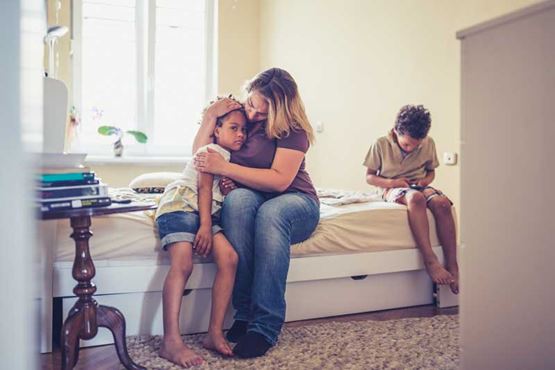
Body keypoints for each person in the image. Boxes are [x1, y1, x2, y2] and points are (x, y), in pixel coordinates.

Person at [193, 67, 320, 358]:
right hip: (255, 196)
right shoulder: (239, 117)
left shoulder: (293, 131)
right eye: (251, 104)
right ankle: (245, 312)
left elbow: (279, 180)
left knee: (270, 215)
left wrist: (225, 169)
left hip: (296, 201)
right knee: (237, 202)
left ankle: (265, 325)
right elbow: (200, 157)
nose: (252, 116)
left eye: (262, 114)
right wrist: (211, 116)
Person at [154, 108, 247, 367]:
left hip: (205, 211)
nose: (240, 134)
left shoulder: (231, 159)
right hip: (183, 203)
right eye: (233, 127)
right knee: (183, 263)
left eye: (243, 129)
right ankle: (170, 341)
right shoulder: (211, 151)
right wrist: (205, 226)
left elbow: (217, 191)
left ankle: (213, 332)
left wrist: (230, 187)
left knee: (229, 258)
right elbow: (203, 187)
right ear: (216, 130)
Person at [363, 104, 459, 294]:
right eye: (406, 144)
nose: (411, 148)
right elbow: (369, 177)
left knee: (442, 203)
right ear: (395, 131)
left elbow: (431, 171)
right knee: (415, 199)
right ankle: (430, 259)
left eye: (417, 145)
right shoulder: (380, 144)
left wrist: (425, 180)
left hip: (419, 185)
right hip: (391, 186)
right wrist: (393, 182)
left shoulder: (428, 143)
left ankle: (453, 264)